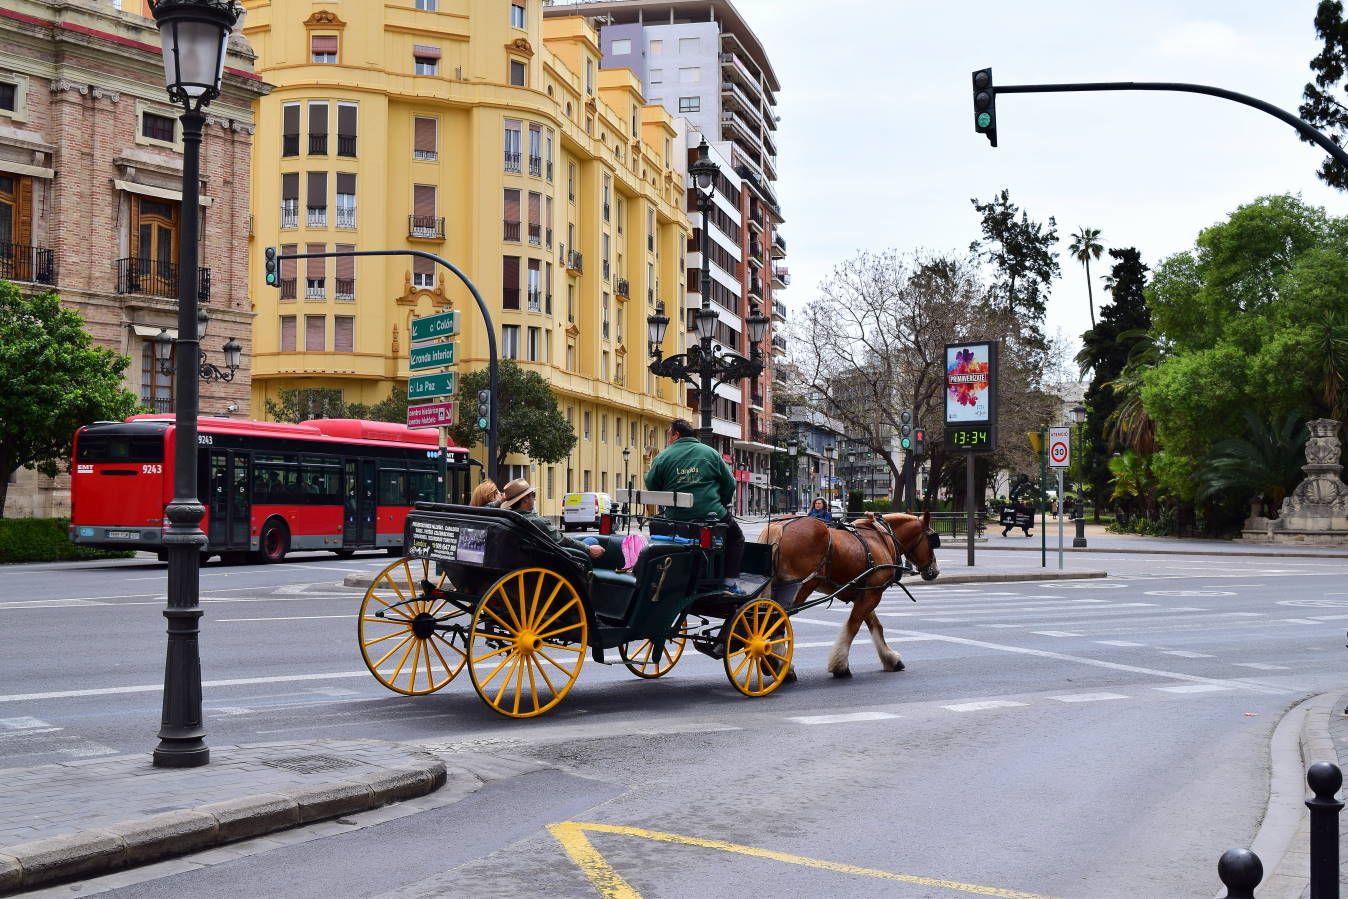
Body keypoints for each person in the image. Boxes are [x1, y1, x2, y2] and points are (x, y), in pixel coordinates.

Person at [644, 418, 744, 592]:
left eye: (669, 435)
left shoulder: (663, 456)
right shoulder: (710, 453)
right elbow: (730, 484)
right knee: (736, 537)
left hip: (676, 519)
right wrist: (721, 503)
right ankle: (729, 582)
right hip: (710, 515)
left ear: (676, 434)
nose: (668, 439)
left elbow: (652, 485)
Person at [498, 478, 604, 559]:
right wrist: (588, 549)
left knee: (584, 540)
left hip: (532, 555)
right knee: (593, 540)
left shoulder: (509, 518)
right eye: (532, 495)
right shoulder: (535, 522)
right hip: (553, 557)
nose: (534, 498)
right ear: (525, 499)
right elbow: (562, 540)